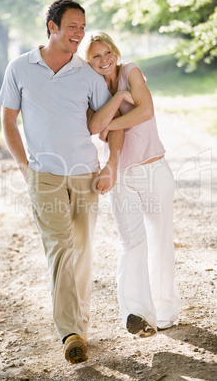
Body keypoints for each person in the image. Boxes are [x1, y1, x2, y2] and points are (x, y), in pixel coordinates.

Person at [0, 0, 124, 364]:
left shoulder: (86, 73)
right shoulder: (20, 67)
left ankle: (78, 325)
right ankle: (70, 331)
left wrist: (111, 163)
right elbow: (7, 121)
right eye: (72, 26)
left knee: (81, 250)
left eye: (82, 27)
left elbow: (108, 121)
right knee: (59, 248)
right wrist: (25, 167)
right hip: (44, 176)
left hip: (85, 174)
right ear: (51, 26)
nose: (79, 33)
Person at [85, 31, 181, 337]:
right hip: (120, 175)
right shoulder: (92, 88)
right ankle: (137, 313)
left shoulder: (131, 71)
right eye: (95, 56)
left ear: (115, 51)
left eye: (107, 52)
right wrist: (117, 100)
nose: (104, 60)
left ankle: (166, 312)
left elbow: (145, 111)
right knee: (131, 243)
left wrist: (107, 122)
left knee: (159, 240)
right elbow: (93, 126)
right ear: (88, 62)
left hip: (154, 168)